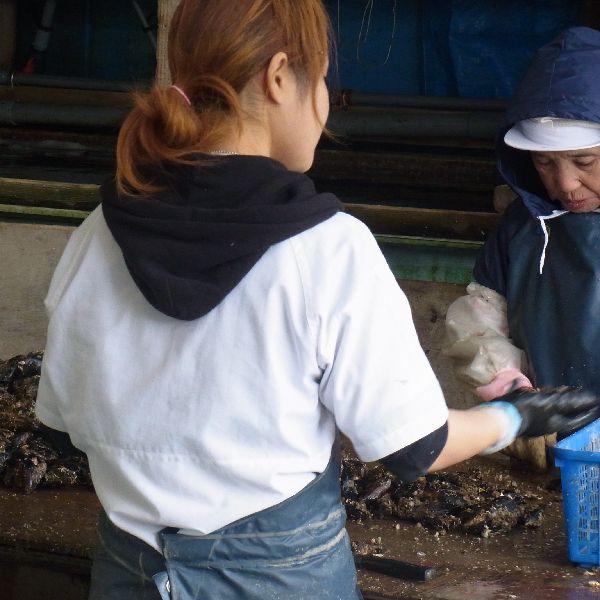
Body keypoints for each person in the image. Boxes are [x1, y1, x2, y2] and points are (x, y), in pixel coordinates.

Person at [34, 5, 598, 599]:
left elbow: (62, 428)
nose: (325, 102)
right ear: (280, 78)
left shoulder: (99, 230)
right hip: (275, 573)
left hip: (131, 566)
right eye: (322, 79)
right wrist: (517, 417)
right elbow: (417, 447)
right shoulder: (326, 247)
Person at [446, 26, 600, 462]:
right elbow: (477, 323)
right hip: (546, 452)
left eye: (584, 161)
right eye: (545, 163)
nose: (565, 183)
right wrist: (516, 400)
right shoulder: (521, 229)